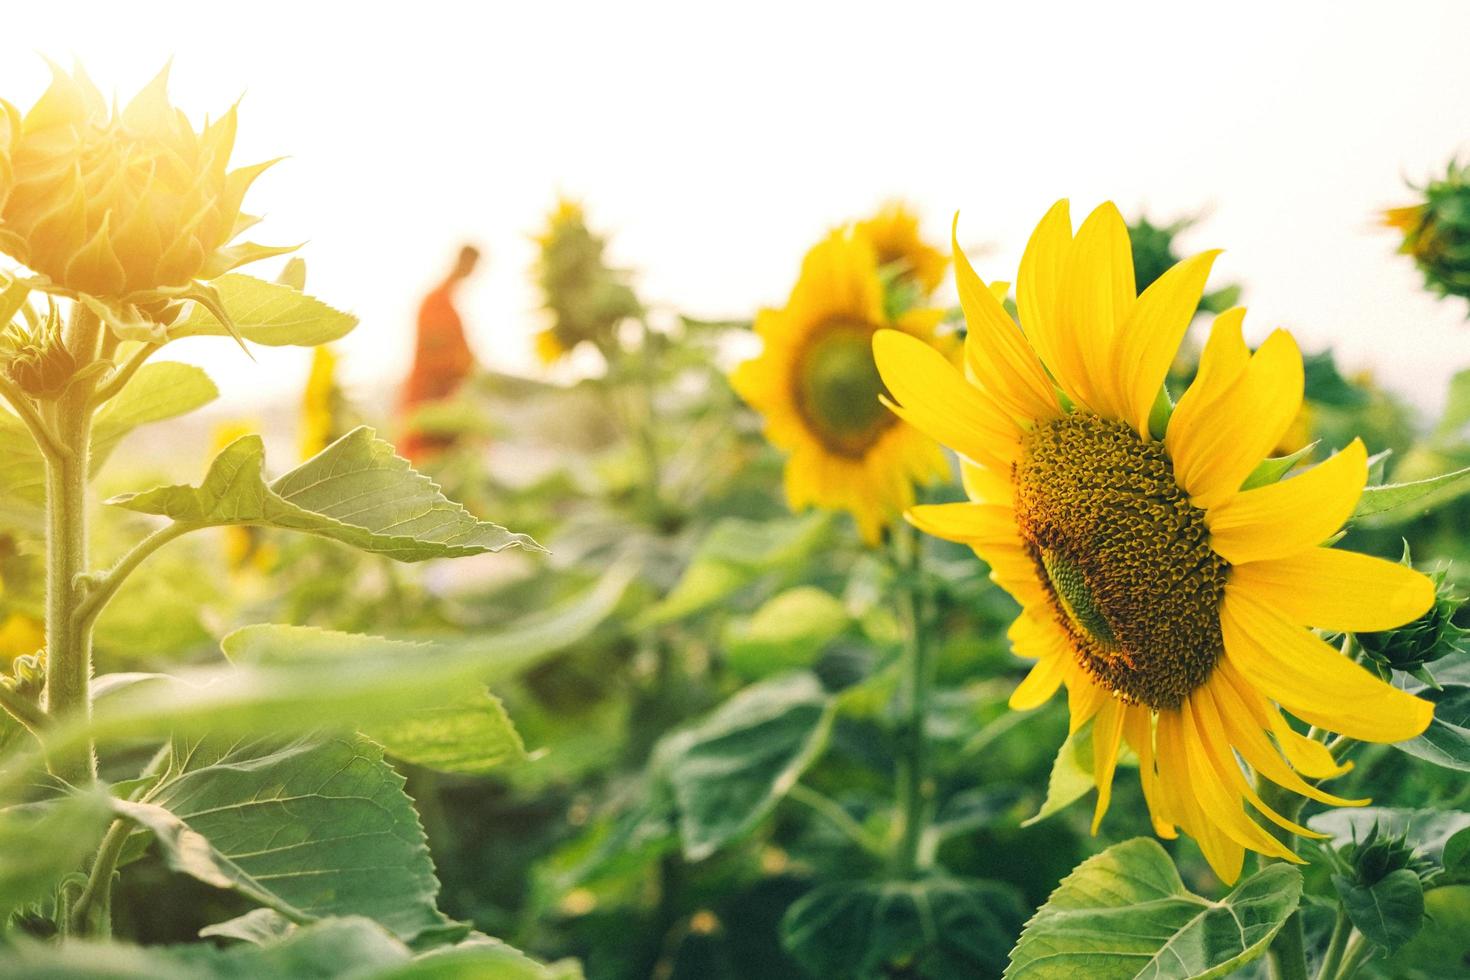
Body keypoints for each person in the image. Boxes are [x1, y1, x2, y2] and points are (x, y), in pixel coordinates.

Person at [399, 245, 481, 461]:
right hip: (428, 402)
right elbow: (435, 352)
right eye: (471, 265)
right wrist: (466, 364)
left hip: (446, 405)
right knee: (423, 469)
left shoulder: (448, 303)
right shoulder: (435, 302)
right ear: (462, 261)